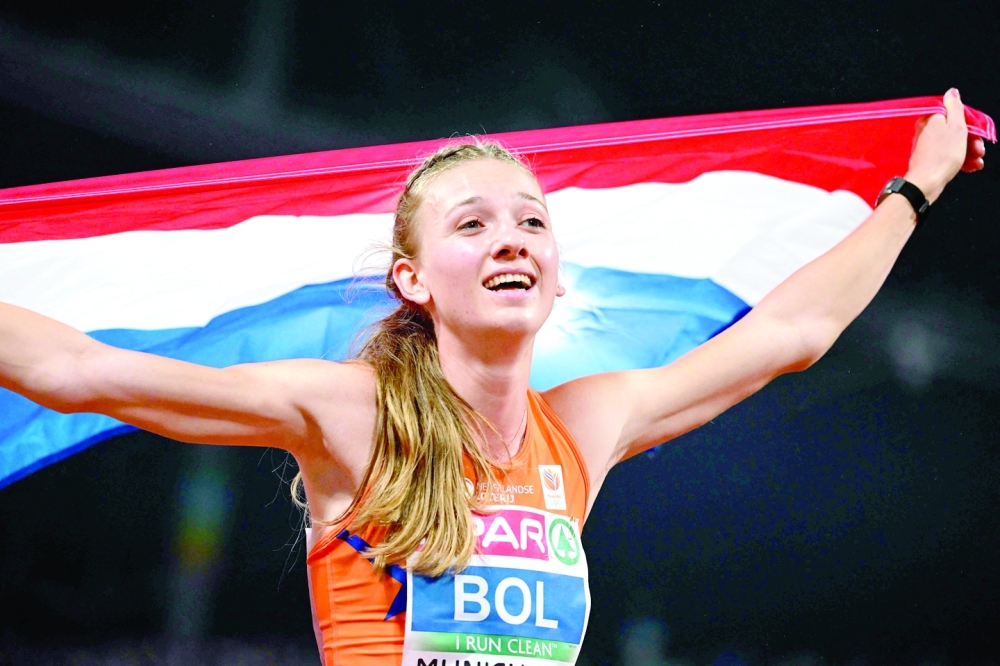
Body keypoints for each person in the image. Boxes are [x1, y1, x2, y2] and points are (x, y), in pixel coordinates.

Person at [0, 89, 986, 666]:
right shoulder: (352, 413)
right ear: (413, 279)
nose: (510, 239)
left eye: (530, 223)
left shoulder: (587, 422)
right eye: (472, 224)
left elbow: (789, 332)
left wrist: (912, 189)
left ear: (557, 276)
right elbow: (76, 368)